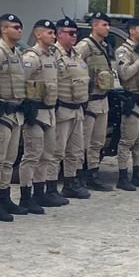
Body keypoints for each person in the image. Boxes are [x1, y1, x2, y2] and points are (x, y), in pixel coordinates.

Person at [0, 13, 27, 221]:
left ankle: (5, 196)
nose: (19, 30)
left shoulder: (16, 52)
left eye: (20, 27)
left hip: (16, 112)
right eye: (15, 27)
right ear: (3, 29)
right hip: (2, 113)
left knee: (9, 161)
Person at [20, 19, 64, 210]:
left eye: (54, 33)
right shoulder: (31, 57)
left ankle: (40, 192)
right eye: (49, 33)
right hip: (36, 113)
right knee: (32, 155)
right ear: (38, 34)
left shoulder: (52, 56)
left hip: (50, 111)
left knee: (47, 154)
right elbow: (22, 83)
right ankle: (25, 195)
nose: (53, 36)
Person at [75, 14, 118, 191]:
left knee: (98, 142)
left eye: (108, 25)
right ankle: (78, 176)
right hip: (90, 100)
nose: (107, 28)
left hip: (102, 99)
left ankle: (93, 173)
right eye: (104, 24)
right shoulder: (85, 46)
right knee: (82, 142)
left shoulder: (104, 46)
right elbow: (75, 67)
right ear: (94, 26)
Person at [114, 19, 139, 189]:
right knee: (127, 140)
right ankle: (123, 177)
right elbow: (124, 74)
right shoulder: (124, 51)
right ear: (132, 31)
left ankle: (137, 174)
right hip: (133, 100)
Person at [54, 18, 92, 199]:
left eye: (76, 33)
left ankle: (71, 183)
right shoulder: (54, 54)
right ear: (59, 34)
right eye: (70, 33)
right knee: (57, 151)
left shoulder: (77, 54)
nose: (74, 36)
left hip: (78, 108)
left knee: (76, 150)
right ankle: (50, 186)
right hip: (62, 109)